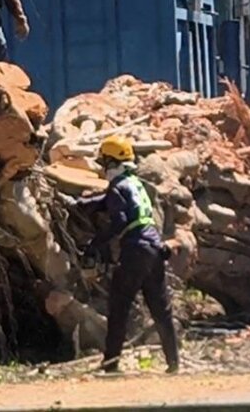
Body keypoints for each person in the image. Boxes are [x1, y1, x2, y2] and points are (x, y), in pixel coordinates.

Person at [74, 135, 180, 374]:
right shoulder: (134, 183)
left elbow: (119, 219)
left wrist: (96, 243)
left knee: (119, 306)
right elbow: (114, 203)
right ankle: (174, 363)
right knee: (160, 309)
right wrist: (84, 203)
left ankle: (111, 364)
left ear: (110, 163)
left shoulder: (117, 186)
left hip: (135, 249)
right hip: (154, 246)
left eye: (104, 163)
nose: (103, 169)